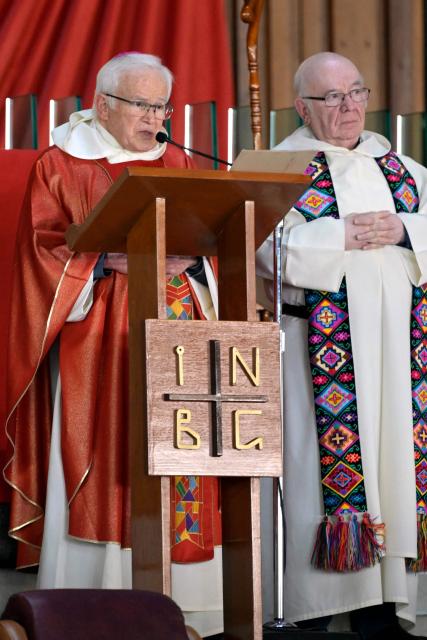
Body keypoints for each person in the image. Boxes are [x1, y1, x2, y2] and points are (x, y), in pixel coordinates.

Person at [4, 52, 222, 634]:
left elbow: (216, 240)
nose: (156, 116)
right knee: (104, 448)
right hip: (97, 334)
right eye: (143, 104)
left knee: (184, 444)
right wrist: (104, 263)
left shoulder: (182, 161)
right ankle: (90, 603)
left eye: (162, 106)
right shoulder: (62, 163)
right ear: (103, 104)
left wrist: (197, 263)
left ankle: (189, 603)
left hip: (178, 328)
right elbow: (41, 251)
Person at [256, 52, 427, 639]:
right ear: (302, 107)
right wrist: (339, 235)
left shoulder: (403, 167)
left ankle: (387, 602)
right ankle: (317, 609)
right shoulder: (278, 166)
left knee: (395, 469)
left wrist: (405, 229)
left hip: (401, 356)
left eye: (357, 92)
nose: (350, 106)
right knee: (314, 476)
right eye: (332, 98)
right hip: (317, 353)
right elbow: (259, 246)